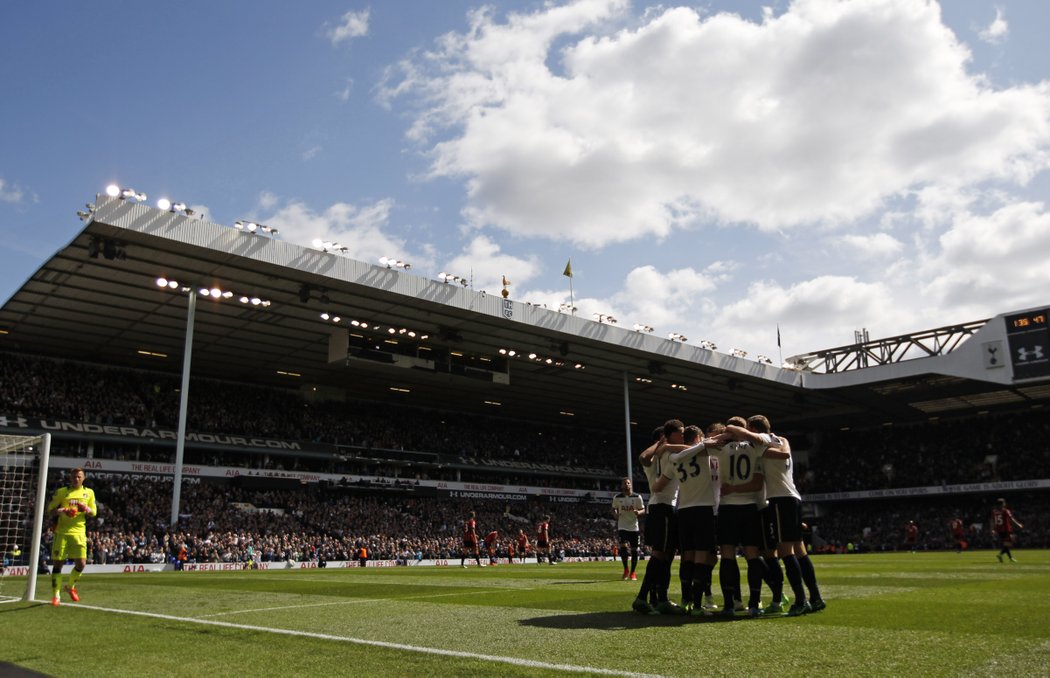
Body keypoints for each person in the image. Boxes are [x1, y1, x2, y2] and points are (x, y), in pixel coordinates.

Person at [757, 418, 825, 616]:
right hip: (794, 498)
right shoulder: (781, 440)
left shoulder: (762, 449)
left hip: (779, 500)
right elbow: (785, 450)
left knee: (786, 552)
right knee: (800, 551)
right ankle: (816, 597)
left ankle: (801, 600)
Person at [632, 422, 682, 615]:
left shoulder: (667, 455)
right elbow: (643, 457)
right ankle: (643, 597)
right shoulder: (658, 459)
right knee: (660, 554)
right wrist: (661, 443)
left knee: (667, 556)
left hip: (665, 508)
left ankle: (660, 598)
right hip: (662, 507)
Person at [45, 467, 97, 606]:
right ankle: (56, 595)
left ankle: (70, 587)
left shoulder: (89, 493)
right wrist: (63, 510)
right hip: (62, 533)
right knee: (58, 564)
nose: (76, 479)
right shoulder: (62, 492)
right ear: (70, 478)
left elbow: (94, 512)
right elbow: (50, 510)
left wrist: (85, 509)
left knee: (81, 563)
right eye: (74, 476)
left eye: (79, 476)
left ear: (83, 478)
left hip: (79, 533)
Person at [612, 477, 644, 581]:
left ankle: (633, 572)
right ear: (621, 486)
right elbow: (613, 509)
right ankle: (626, 569)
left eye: (628, 483)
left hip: (634, 527)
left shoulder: (637, 497)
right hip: (622, 526)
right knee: (623, 548)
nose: (627, 485)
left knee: (634, 550)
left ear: (631, 485)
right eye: (625, 483)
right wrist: (616, 514)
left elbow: (643, 509)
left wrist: (639, 513)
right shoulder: (617, 498)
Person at [991, 498, 1023, 562]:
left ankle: (1009, 558)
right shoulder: (1005, 511)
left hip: (999, 530)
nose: (1005, 504)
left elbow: (993, 521)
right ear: (1002, 504)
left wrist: (993, 529)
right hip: (1005, 529)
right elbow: (1011, 518)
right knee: (1009, 543)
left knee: (1006, 544)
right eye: (1004, 503)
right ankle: (1001, 555)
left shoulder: (994, 511)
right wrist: (1018, 524)